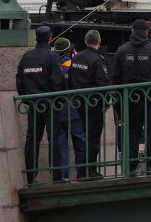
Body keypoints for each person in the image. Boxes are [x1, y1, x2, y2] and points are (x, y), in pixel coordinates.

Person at [110, 18, 151, 174]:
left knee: (132, 132)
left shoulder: (122, 51)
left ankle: (131, 166)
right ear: (147, 32)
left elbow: (115, 78)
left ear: (132, 31)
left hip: (130, 98)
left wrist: (118, 102)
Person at [15, 25, 67, 185]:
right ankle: (56, 177)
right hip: (50, 104)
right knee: (54, 139)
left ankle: (31, 178)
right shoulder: (52, 57)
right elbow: (58, 81)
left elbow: (19, 80)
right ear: (50, 38)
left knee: (32, 140)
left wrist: (27, 99)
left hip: (34, 105)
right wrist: (58, 100)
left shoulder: (27, 57)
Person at [68, 29, 111, 180]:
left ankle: (81, 171)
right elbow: (103, 83)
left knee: (81, 139)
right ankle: (89, 171)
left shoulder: (77, 57)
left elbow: (70, 80)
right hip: (93, 106)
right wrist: (105, 104)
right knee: (92, 139)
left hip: (76, 103)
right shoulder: (99, 60)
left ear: (86, 41)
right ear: (99, 42)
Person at [51, 37, 84, 183]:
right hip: (74, 110)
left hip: (57, 110)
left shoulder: (53, 65)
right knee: (79, 142)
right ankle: (82, 172)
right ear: (69, 50)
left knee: (60, 145)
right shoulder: (74, 65)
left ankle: (62, 176)